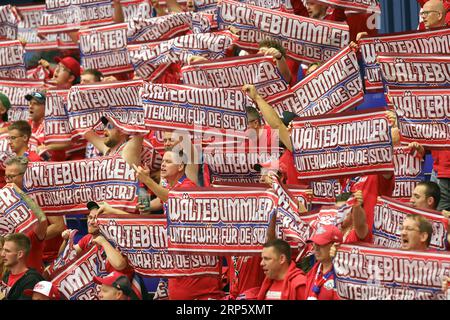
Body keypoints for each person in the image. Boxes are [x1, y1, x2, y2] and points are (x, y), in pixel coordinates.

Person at [134, 150, 224, 300]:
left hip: (196, 266)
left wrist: (148, 180)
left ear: (181, 166)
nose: (162, 164)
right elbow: (145, 209)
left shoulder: (189, 187)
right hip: (177, 262)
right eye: (162, 161)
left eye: (168, 162)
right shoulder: (171, 189)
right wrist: (143, 183)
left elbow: (173, 199)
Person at [4, 156, 48, 274]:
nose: (8, 181)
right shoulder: (4, 204)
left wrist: (19, 193)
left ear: (25, 176)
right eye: (6, 177)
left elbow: (42, 220)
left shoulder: (40, 200)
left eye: (11, 177)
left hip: (30, 279)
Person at [1, 233, 44, 300]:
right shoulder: (7, 275)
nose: (2, 254)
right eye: (3, 250)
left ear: (20, 254)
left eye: (7, 251)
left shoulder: (32, 280)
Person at [305, 224, 343, 300]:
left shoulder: (343, 276)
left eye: (320, 244)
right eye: (314, 243)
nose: (315, 248)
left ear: (335, 246)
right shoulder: (312, 273)